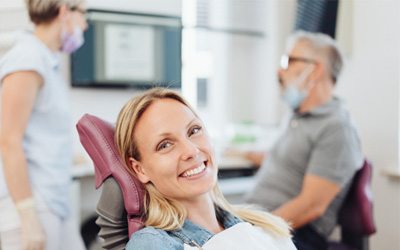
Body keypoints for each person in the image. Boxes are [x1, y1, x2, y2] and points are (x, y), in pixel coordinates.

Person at [113, 87, 296, 249]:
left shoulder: (266, 227)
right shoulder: (152, 244)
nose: (191, 151)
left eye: (194, 131)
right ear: (139, 169)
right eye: (165, 145)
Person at [244, 31, 363, 250]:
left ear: (315, 69)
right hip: (261, 221)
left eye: (288, 61)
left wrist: (251, 232)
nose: (280, 70)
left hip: (295, 233)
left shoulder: (337, 128)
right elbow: (292, 164)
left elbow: (311, 206)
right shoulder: (296, 116)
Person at [0, 0, 88, 249]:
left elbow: (39, 133)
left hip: (53, 198)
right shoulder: (27, 60)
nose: (85, 24)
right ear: (64, 12)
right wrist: (27, 217)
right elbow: (8, 141)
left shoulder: (45, 60)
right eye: (83, 14)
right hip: (32, 202)